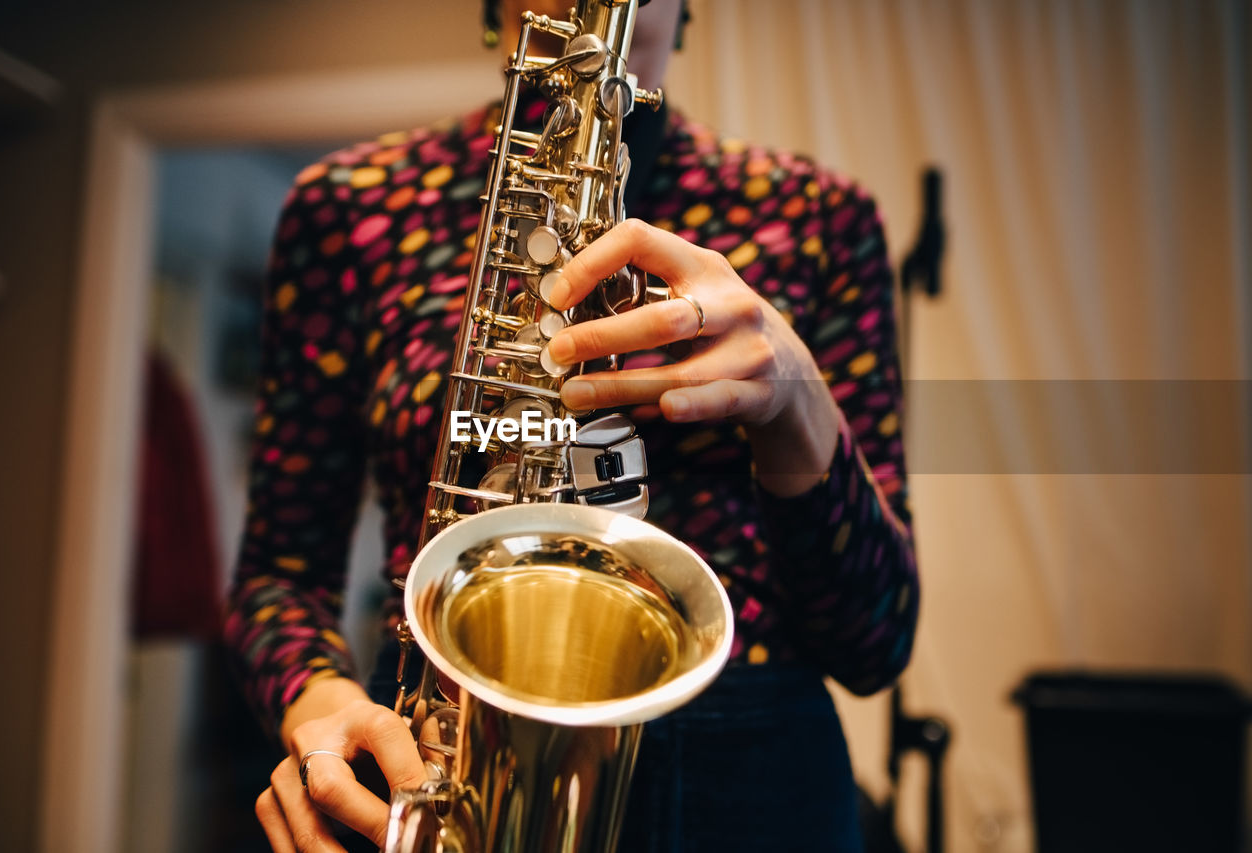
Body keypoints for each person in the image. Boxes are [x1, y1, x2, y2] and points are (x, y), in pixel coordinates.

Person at [224, 1, 919, 850]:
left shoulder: (821, 216)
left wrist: (795, 399)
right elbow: (277, 574)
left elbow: (877, 641)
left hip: (757, 785)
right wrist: (317, 701)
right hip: (448, 747)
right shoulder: (344, 208)